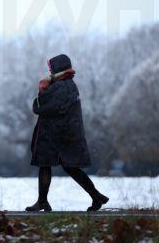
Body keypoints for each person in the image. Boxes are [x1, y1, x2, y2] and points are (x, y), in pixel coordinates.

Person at [26, 54, 109, 212]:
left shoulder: (59, 87)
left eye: (51, 69)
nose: (49, 73)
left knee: (48, 164)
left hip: (55, 134)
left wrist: (42, 90)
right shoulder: (70, 85)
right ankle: (95, 196)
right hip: (66, 133)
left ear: (57, 69)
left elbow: (38, 107)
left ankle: (94, 196)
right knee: (69, 167)